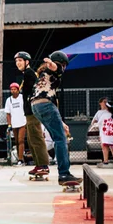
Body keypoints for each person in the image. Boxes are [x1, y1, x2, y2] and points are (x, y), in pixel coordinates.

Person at [30, 51, 81, 184]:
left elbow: (52, 101)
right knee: (60, 139)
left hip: (36, 107)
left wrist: (61, 122)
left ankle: (62, 171)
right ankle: (64, 174)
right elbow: (56, 69)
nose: (64, 68)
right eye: (64, 65)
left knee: (57, 136)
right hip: (45, 105)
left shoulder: (42, 74)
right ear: (61, 63)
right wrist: (53, 64)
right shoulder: (52, 70)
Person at [15, 51, 49, 176]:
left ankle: (43, 165)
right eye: (16, 61)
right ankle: (38, 164)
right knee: (31, 138)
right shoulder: (26, 74)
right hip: (29, 112)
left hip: (33, 111)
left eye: (20, 60)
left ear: (27, 62)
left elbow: (33, 92)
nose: (18, 63)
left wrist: (31, 104)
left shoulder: (30, 74)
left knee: (36, 137)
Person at [4, 83, 27, 165]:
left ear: (18, 90)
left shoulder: (22, 98)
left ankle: (20, 159)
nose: (13, 91)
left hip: (23, 122)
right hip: (14, 123)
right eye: (12, 89)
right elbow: (8, 114)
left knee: (21, 140)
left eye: (15, 89)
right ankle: (20, 157)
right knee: (17, 141)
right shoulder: (9, 100)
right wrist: (9, 124)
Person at [92, 98, 113, 165]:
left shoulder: (103, 115)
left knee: (105, 148)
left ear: (107, 108)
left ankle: (106, 161)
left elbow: (99, 123)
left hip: (105, 135)